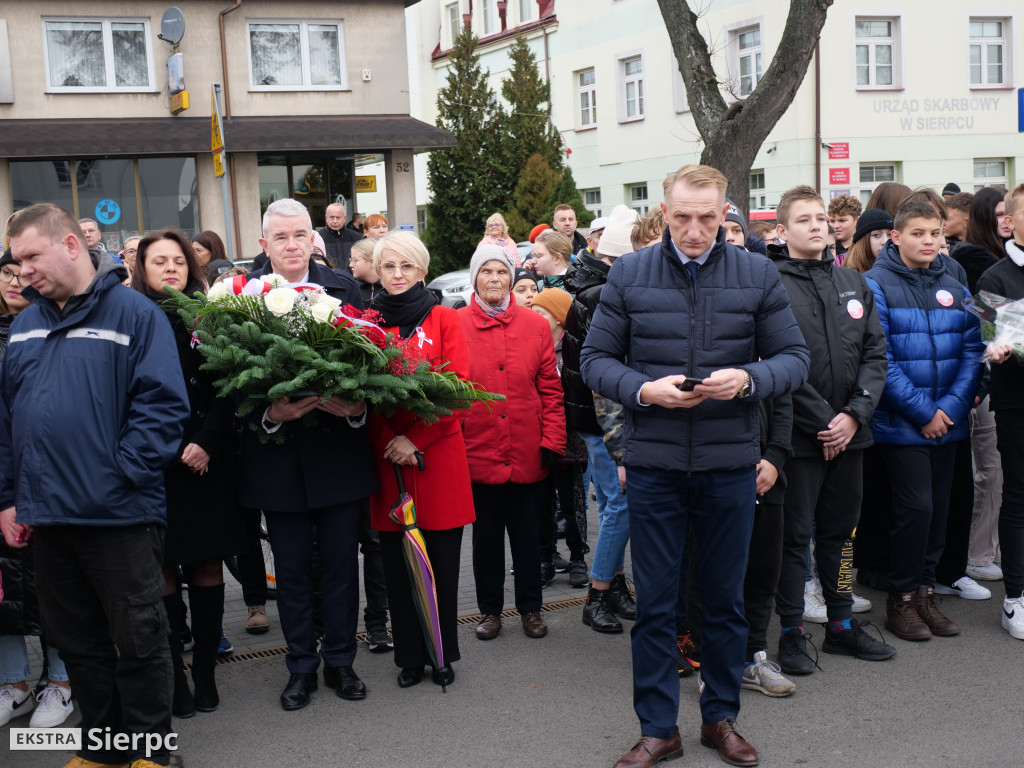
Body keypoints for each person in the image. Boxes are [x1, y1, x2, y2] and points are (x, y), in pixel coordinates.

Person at [581, 165, 809, 768]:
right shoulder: (629, 273)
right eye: (682, 216)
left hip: (729, 462)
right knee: (656, 603)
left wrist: (749, 379)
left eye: (708, 217)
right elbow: (594, 360)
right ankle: (659, 728)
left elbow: (794, 360)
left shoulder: (756, 271)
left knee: (724, 601)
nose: (694, 229)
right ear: (664, 210)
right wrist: (643, 391)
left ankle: (720, 718)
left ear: (724, 212)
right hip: (654, 464)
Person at [1, 204, 190, 767]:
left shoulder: (134, 313)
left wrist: (118, 476)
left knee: (139, 639)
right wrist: (10, 497)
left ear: (69, 244)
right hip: (48, 517)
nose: (22, 271)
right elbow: (7, 418)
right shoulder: (26, 324)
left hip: (119, 515)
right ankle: (105, 751)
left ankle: (151, 753)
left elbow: (162, 408)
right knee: (78, 644)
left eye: (31, 256)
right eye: (16, 262)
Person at [242, 198, 376, 711]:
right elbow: (228, 383)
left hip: (337, 454)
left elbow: (373, 361)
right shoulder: (242, 299)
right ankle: (301, 666)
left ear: (313, 238)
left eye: (300, 234)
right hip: (277, 459)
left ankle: (341, 661)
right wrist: (271, 414)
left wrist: (358, 407)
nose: (292, 244)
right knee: (293, 571)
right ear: (265, 245)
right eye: (281, 237)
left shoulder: (345, 289)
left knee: (342, 568)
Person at [767, 186, 895, 677]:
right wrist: (824, 420)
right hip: (800, 440)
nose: (817, 226)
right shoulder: (770, 283)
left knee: (842, 535)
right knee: (795, 537)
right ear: (783, 231)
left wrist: (855, 414)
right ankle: (793, 631)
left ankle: (840, 625)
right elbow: (776, 363)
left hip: (851, 434)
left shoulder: (852, 282)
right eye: (804, 220)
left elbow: (875, 355)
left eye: (821, 218)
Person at [129, 229, 244, 720]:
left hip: (206, 461)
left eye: (178, 260)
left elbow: (230, 385)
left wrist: (206, 443)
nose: (171, 268)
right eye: (159, 262)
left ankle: (205, 671)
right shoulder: (130, 317)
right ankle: (173, 672)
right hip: (156, 464)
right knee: (162, 571)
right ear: (143, 269)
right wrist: (168, 447)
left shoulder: (210, 316)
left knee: (205, 564)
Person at [863, 200, 984, 642]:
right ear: (896, 237)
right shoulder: (874, 284)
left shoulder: (955, 280)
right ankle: (901, 598)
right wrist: (924, 412)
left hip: (949, 421)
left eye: (935, 233)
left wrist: (949, 410)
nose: (929, 241)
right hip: (902, 422)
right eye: (918, 233)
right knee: (915, 509)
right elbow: (881, 358)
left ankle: (926, 593)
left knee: (940, 512)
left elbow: (974, 349)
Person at [368, 231, 474, 689]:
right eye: (388, 266)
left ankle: (441, 652)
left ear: (422, 270)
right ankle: (410, 656)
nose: (396, 275)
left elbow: (460, 391)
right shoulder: (367, 322)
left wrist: (416, 438)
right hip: (389, 458)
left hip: (437, 459)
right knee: (397, 566)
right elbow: (361, 395)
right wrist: (391, 438)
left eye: (406, 266)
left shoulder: (445, 319)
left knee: (443, 567)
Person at [458, 245, 565, 641]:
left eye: (501, 272)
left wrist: (552, 439)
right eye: (485, 272)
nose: (494, 279)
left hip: (526, 448)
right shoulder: (456, 324)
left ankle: (531, 609)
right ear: (475, 278)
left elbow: (550, 390)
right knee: (485, 540)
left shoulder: (535, 326)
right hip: (479, 449)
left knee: (527, 536)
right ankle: (488, 611)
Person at [0, 247, 74, 730]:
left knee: (54, 583)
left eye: (19, 272)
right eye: (3, 273)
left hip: (51, 474)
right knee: (4, 588)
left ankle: (62, 682)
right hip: (2, 477)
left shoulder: (54, 327)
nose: (12, 281)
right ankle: (13, 681)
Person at [563, 205, 640, 634]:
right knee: (619, 506)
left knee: (616, 505)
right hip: (604, 422)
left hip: (597, 420)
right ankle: (597, 595)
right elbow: (603, 373)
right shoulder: (601, 295)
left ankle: (614, 585)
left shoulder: (592, 287)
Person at [977, 183, 1024, 639]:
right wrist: (999, 349)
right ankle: (1016, 598)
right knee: (1019, 498)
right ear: (1009, 220)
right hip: (1017, 402)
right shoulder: (996, 278)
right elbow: (989, 338)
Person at [530, 286, 588, 588]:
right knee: (541, 503)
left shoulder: (573, 348)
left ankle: (578, 557)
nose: (534, 317)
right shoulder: (533, 345)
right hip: (539, 439)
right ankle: (546, 557)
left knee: (572, 503)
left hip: (571, 439)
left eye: (541, 312)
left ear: (559, 318)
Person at [843, 208, 894, 274]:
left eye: (889, 235)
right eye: (877, 235)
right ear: (863, 241)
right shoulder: (850, 276)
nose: (885, 241)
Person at [318, 201, 362, 272]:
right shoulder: (318, 238)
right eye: (331, 217)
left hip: (351, 280)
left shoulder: (356, 238)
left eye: (338, 218)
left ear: (344, 219)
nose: (335, 221)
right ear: (326, 218)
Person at [827, 194, 862, 258]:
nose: (836, 226)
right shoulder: (824, 247)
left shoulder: (864, 247)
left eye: (842, 221)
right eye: (832, 221)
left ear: (857, 220)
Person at [349, 238, 383, 306]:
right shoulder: (351, 289)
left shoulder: (388, 289)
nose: (350, 265)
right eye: (351, 260)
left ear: (372, 262)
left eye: (355, 260)